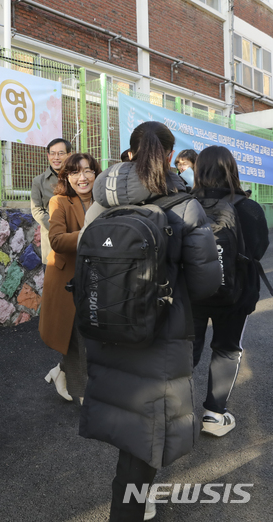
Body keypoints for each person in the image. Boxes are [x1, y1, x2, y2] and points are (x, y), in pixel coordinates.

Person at [78, 121, 220, 521]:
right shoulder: (183, 204)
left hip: (104, 325)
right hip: (160, 332)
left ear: (129, 152)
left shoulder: (99, 200)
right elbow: (206, 282)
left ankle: (130, 502)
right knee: (147, 431)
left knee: (127, 419)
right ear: (171, 155)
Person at [191, 146, 269, 437]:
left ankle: (176, 411)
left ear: (197, 171)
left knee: (186, 349)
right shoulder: (248, 207)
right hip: (236, 294)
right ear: (232, 169)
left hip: (193, 295)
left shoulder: (184, 204)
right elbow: (259, 249)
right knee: (226, 349)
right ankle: (214, 414)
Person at [39, 153, 101, 404]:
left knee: (92, 334)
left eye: (88, 170)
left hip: (97, 279)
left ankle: (60, 371)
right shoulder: (59, 201)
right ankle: (85, 394)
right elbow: (56, 240)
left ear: (97, 173)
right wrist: (89, 233)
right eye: (75, 172)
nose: (82, 177)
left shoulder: (105, 201)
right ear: (66, 177)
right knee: (76, 336)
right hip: (69, 280)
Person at [31, 138, 72, 268]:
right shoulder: (39, 181)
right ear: (48, 156)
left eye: (61, 153)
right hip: (52, 242)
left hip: (75, 238)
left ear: (69, 155)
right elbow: (36, 210)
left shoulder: (76, 178)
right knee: (52, 284)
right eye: (52, 153)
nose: (56, 157)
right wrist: (57, 228)